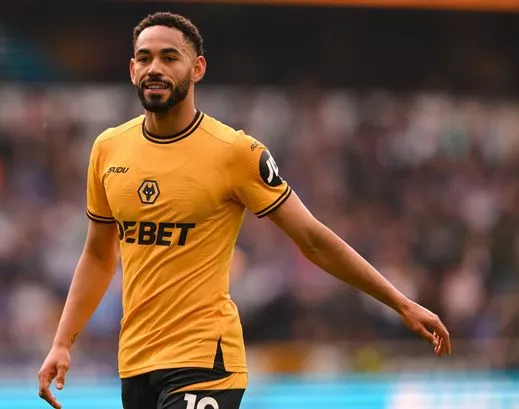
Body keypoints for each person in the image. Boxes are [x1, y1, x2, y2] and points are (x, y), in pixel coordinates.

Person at [38, 11, 451, 409]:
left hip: (206, 359)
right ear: (132, 70)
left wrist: (400, 303)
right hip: (136, 363)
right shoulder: (108, 149)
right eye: (144, 58)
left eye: (169, 57)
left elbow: (312, 238)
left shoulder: (235, 152)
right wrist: (62, 342)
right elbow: (98, 255)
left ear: (197, 68)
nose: (155, 69)